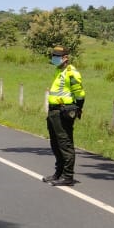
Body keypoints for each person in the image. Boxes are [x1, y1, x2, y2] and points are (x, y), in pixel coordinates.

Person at [41, 45, 85, 187]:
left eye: (57, 56)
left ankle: (68, 176)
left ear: (66, 57)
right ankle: (58, 173)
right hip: (54, 111)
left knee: (65, 144)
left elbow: (80, 94)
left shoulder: (72, 73)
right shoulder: (58, 70)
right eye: (53, 56)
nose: (54, 58)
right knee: (55, 143)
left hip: (63, 112)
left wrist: (78, 109)